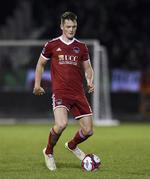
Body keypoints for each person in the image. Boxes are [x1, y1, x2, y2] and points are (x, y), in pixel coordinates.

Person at [33, 11, 94, 171]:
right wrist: (37, 84)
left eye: (74, 26)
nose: (71, 29)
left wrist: (90, 81)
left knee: (88, 131)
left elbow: (88, 67)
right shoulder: (52, 45)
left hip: (78, 93)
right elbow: (40, 64)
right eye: (68, 26)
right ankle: (48, 151)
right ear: (61, 26)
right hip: (61, 92)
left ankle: (72, 145)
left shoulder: (81, 47)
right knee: (61, 124)